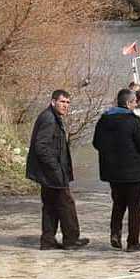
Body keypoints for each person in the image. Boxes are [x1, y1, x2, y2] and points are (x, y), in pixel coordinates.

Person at [92, 88, 140, 252]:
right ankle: (133, 243)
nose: (136, 105)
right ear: (128, 103)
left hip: (113, 172)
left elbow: (96, 144)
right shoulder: (134, 121)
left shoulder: (104, 120)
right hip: (133, 173)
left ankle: (115, 234)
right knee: (135, 207)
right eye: (135, 102)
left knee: (118, 204)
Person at [25, 90, 89, 250]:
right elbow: (41, 147)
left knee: (50, 205)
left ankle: (48, 240)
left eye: (68, 102)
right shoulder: (49, 119)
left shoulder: (52, 117)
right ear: (53, 102)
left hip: (48, 172)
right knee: (66, 204)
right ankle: (71, 240)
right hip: (52, 173)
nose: (65, 105)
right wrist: (55, 168)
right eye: (62, 102)